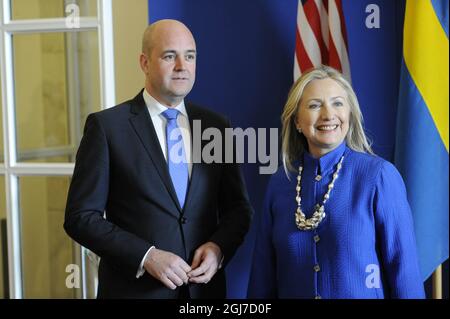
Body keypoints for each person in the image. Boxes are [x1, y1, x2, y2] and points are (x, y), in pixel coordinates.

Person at [64, 19, 252, 299]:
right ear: (144, 62)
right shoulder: (107, 127)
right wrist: (146, 256)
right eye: (169, 56)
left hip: (203, 293)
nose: (182, 66)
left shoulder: (216, 126)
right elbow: (80, 217)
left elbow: (238, 209)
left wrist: (218, 248)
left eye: (190, 56)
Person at [247, 65, 425, 299]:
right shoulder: (281, 182)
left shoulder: (379, 176)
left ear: (349, 114)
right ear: (297, 121)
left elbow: (405, 275)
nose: (328, 114)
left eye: (338, 103)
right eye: (314, 105)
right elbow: (262, 280)